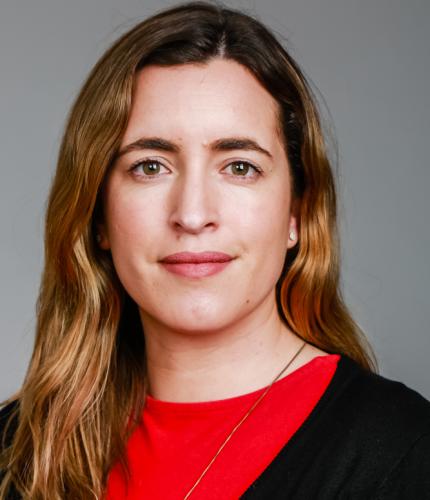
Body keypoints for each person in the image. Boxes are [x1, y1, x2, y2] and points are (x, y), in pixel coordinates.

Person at [1, 1, 429, 498]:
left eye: (239, 167)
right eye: (150, 166)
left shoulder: (405, 453)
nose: (192, 214)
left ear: (296, 213)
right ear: (98, 216)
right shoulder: (16, 453)